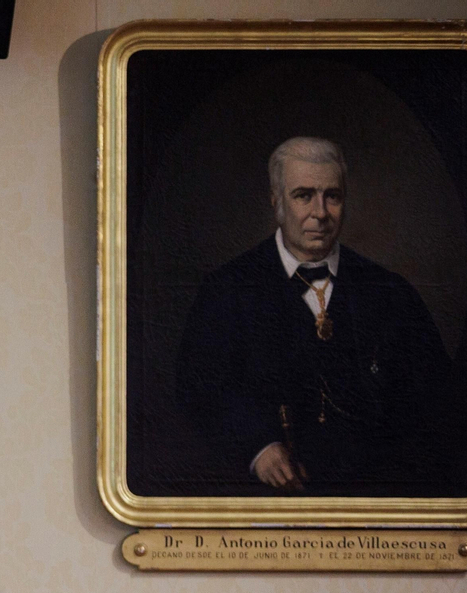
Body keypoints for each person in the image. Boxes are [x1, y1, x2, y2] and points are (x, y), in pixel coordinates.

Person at [175, 136, 451, 495]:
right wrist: (257, 447)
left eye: (332, 196)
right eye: (303, 195)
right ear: (276, 201)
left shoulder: (391, 293)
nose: (320, 213)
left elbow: (438, 404)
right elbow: (200, 389)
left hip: (373, 500)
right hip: (262, 501)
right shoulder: (227, 290)